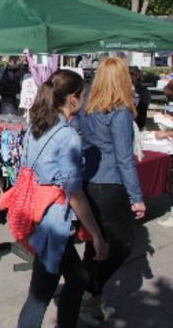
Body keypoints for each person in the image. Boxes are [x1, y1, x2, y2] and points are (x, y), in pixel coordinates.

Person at [16, 70, 108, 328]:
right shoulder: (67, 136)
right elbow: (75, 193)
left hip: (38, 214)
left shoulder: (35, 125)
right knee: (40, 295)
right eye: (83, 95)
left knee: (77, 279)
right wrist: (97, 235)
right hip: (54, 223)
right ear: (74, 99)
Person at [78, 57, 146, 325]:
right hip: (108, 184)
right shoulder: (117, 111)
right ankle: (86, 292)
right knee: (122, 244)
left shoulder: (87, 106)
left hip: (90, 181)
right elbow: (124, 158)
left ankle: (88, 297)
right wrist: (137, 197)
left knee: (95, 245)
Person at [129, 66, 150, 130]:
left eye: (130, 75)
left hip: (137, 125)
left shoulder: (144, 91)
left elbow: (141, 109)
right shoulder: (122, 90)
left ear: (137, 76)